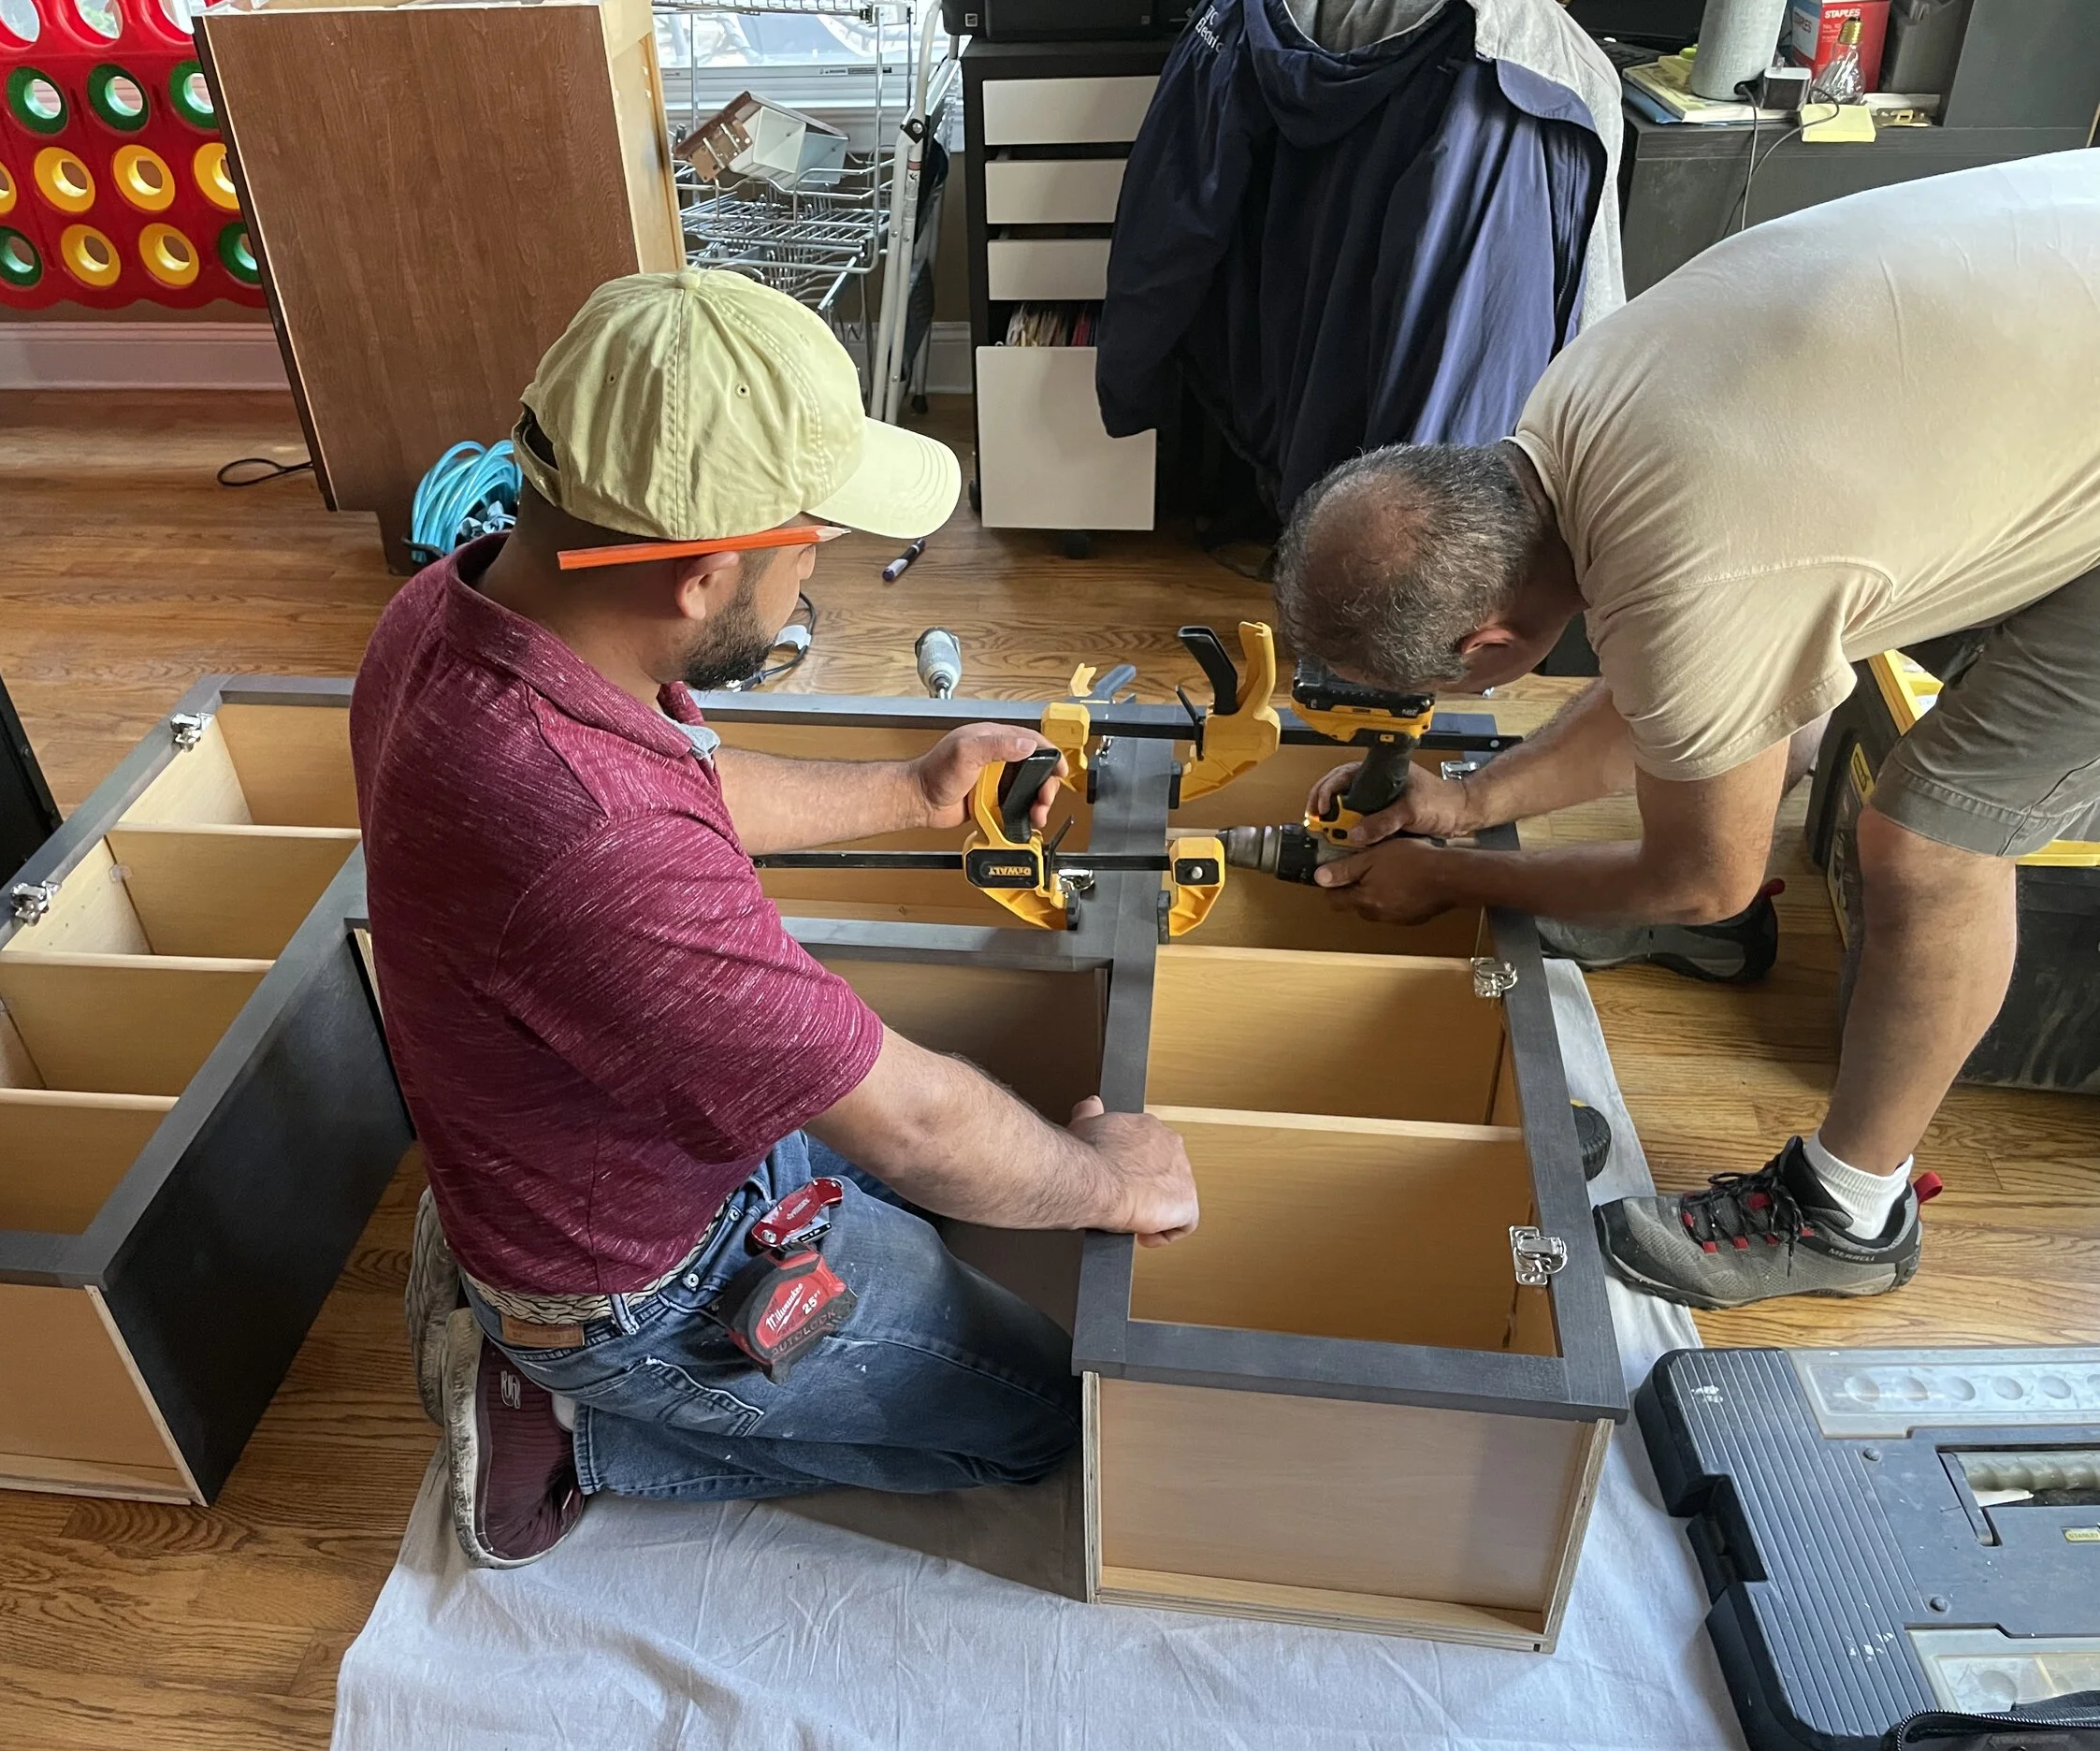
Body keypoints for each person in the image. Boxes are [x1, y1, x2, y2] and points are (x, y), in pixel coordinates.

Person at [351, 268, 1198, 1568]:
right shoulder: (596, 844)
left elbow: (683, 784)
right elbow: (912, 1118)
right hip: (636, 1280)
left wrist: (916, 792)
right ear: (697, 576)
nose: (817, 575)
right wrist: (1112, 1182)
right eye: (810, 541)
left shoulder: (463, 607)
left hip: (598, 1149)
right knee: (1033, 1417)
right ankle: (569, 1424)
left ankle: (533, 1309)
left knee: (966, 1175)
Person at [1267, 152, 2100, 1312]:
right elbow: (1700, 684)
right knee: (1766, 677)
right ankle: (1727, 952)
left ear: (1486, 646)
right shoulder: (1572, 410)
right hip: (2052, 301)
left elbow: (1703, 866)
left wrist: (1451, 878)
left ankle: (1850, 1213)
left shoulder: (1691, 575)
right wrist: (1464, 802)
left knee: (1929, 844)